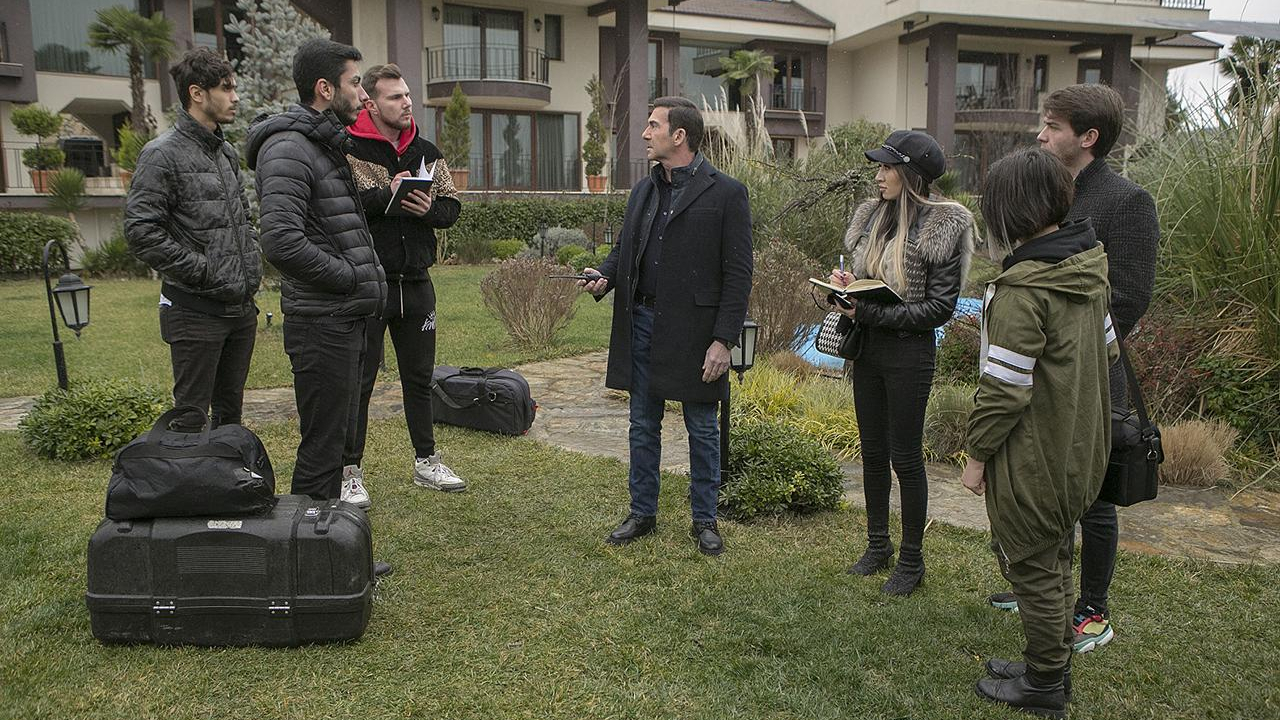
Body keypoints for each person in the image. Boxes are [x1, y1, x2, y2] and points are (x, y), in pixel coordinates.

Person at [986, 83, 1158, 654]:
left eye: (1053, 126)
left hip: (1092, 373)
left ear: (1088, 138)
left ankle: (1092, 607)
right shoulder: (1044, 185)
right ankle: (1044, 589)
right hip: (1036, 368)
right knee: (1041, 484)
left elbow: (1129, 294)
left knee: (1092, 495)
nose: (1041, 134)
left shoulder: (1127, 201)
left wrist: (1069, 344)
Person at [962, 147, 1119, 718]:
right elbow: (1109, 351)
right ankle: (1049, 662)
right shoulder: (1086, 270)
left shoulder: (1024, 290)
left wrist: (976, 455)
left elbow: (1004, 390)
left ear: (1010, 210)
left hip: (1035, 453)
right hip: (1082, 446)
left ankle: (1045, 683)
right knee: (1056, 556)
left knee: (1032, 564)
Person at [579, 96, 752, 556]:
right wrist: (605, 275)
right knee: (642, 423)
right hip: (642, 323)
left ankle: (705, 520)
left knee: (702, 427)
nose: (644, 133)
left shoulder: (727, 193)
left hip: (696, 332)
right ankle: (642, 513)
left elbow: (738, 275)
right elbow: (625, 249)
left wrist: (724, 340)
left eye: (652, 125)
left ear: (679, 136)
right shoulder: (644, 190)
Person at [828, 130, 973, 596]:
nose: (878, 176)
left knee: (905, 458)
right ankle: (878, 545)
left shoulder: (944, 224)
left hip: (909, 353)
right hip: (868, 348)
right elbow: (874, 286)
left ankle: (912, 560)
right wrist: (847, 287)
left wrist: (867, 312)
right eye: (879, 167)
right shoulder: (875, 217)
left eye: (887, 167)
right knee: (872, 453)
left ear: (911, 174)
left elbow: (939, 309)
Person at [245, 38, 386, 506]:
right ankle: (308, 542)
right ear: (325, 89)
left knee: (335, 443)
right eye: (355, 83)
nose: (364, 95)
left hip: (343, 318)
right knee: (322, 448)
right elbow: (281, 241)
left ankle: (325, 538)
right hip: (322, 322)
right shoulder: (288, 148)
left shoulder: (322, 143)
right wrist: (349, 277)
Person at [343, 63, 465, 508]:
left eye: (408, 95)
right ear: (372, 105)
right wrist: (387, 195)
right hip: (368, 284)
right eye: (396, 97)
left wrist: (426, 209)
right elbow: (344, 203)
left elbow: (451, 207)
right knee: (360, 380)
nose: (407, 103)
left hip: (416, 282)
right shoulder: (349, 147)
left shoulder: (426, 151)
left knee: (419, 378)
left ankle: (426, 461)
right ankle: (348, 471)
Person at [125, 48, 259, 432]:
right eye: (226, 88)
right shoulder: (161, 154)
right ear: (197, 94)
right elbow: (141, 231)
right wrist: (204, 270)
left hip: (240, 309)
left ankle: (225, 472)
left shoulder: (226, 153)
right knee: (190, 420)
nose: (235, 97)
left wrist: (249, 258)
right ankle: (187, 474)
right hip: (194, 311)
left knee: (230, 419)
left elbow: (243, 218)